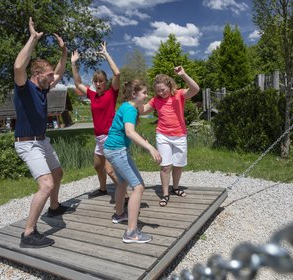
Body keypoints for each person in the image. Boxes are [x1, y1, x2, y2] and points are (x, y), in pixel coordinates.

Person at [13, 17, 72, 248]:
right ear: (37, 74)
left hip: (42, 141)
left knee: (57, 173)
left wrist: (64, 51)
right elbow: (19, 66)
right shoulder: (25, 87)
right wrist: (33, 38)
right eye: (48, 76)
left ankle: (54, 208)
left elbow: (60, 70)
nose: (53, 78)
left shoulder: (44, 90)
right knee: (46, 185)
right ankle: (28, 233)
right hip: (27, 143)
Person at [104, 80, 162, 243]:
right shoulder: (130, 109)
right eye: (144, 93)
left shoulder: (127, 107)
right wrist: (150, 147)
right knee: (138, 186)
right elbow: (129, 132)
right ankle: (131, 233)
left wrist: (140, 138)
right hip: (117, 150)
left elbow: (124, 130)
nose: (146, 95)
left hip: (111, 149)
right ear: (134, 94)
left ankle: (119, 214)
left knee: (122, 182)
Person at [71, 42, 124, 198]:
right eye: (96, 81)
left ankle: (127, 196)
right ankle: (103, 189)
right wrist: (74, 64)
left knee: (110, 170)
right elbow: (78, 83)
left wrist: (106, 54)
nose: (98, 84)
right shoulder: (92, 96)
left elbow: (117, 74)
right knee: (97, 166)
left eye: (101, 81)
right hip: (99, 138)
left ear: (105, 82)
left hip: (110, 136)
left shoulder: (111, 94)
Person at [142, 66, 200, 207]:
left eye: (163, 89)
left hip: (180, 135)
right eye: (158, 91)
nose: (161, 93)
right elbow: (143, 110)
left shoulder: (179, 94)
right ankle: (165, 194)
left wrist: (183, 75)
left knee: (178, 165)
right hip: (163, 135)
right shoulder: (156, 100)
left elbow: (195, 89)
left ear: (169, 85)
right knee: (165, 166)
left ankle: (175, 187)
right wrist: (134, 100)